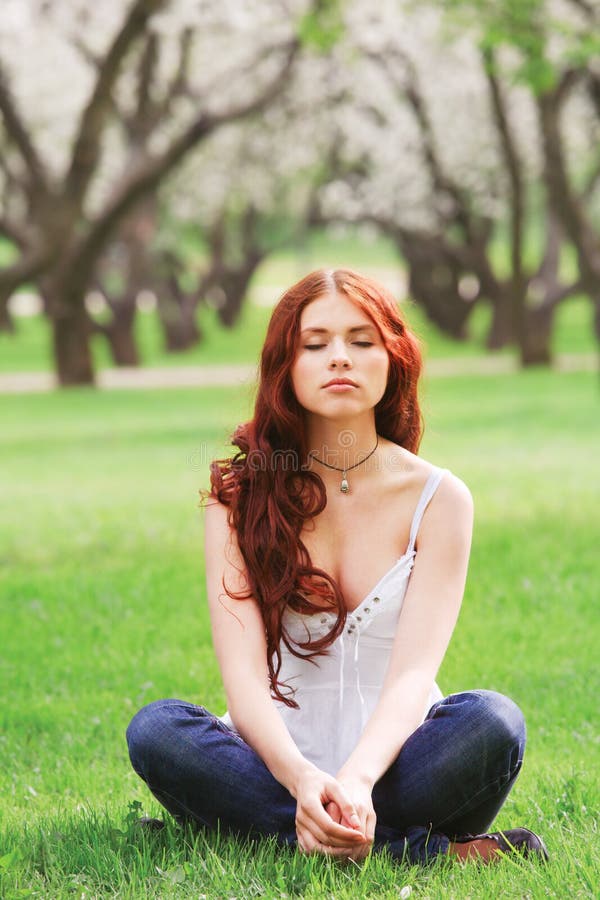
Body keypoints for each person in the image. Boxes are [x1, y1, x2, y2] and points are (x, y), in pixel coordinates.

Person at [126, 268, 547, 864]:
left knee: (494, 722)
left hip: (399, 762)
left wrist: (356, 781)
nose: (339, 359)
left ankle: (260, 832)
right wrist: (303, 780)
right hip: (273, 765)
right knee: (156, 730)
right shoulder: (238, 496)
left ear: (393, 358)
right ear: (286, 367)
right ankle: (420, 849)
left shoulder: (442, 499)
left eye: (361, 341)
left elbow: (410, 677)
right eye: (315, 344)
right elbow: (244, 686)